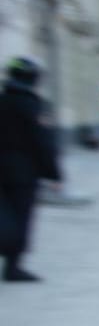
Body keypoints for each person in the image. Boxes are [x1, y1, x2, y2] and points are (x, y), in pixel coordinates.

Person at [1, 55, 63, 282]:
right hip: (23, 173)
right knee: (20, 216)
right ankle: (13, 266)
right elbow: (42, 143)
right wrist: (55, 175)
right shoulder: (33, 106)